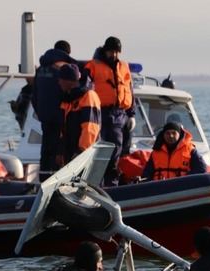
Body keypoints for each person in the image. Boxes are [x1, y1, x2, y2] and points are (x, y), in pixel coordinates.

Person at [84, 36, 136, 187]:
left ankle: (112, 186)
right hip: (99, 114)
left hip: (119, 115)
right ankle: (95, 186)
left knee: (115, 153)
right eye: (111, 51)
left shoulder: (124, 67)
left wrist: (131, 114)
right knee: (98, 153)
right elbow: (84, 88)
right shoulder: (92, 66)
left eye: (116, 52)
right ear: (105, 51)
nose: (114, 55)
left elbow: (130, 92)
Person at [32, 40, 77, 182]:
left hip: (45, 117)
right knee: (59, 152)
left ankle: (43, 180)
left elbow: (34, 95)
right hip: (59, 118)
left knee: (45, 151)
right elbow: (67, 94)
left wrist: (40, 111)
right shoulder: (62, 70)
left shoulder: (40, 70)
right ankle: (57, 183)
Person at [57, 63, 101, 165]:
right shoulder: (68, 99)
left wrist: (81, 151)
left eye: (61, 80)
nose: (59, 83)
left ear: (69, 81)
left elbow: (90, 128)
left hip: (85, 156)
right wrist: (61, 152)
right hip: (71, 153)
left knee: (84, 181)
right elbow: (63, 130)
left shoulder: (89, 96)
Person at [141, 118, 208, 181]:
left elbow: (202, 168)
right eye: (168, 133)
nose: (171, 136)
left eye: (174, 133)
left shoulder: (190, 150)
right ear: (163, 135)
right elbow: (147, 174)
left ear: (179, 134)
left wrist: (185, 179)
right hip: (160, 188)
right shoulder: (156, 152)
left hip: (182, 187)